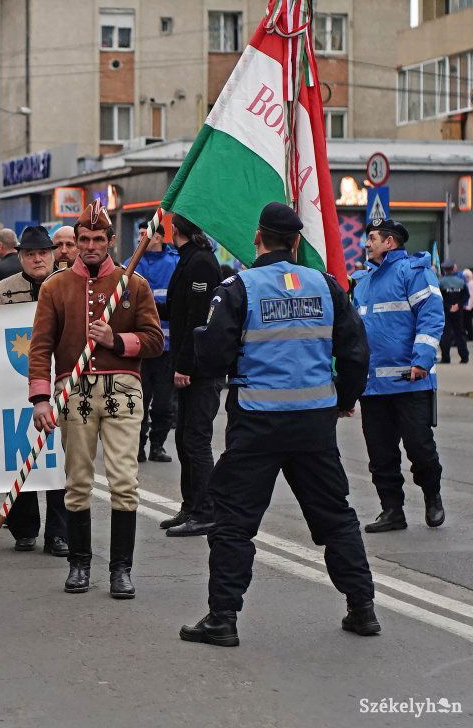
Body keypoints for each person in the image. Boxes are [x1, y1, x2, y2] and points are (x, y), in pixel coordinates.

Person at [179, 203, 377, 647]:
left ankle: (223, 618)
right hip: (314, 424)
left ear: (257, 238)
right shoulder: (326, 285)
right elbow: (356, 351)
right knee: (336, 518)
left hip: (258, 423)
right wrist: (343, 399)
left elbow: (211, 357)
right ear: (294, 242)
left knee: (233, 522)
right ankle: (362, 608)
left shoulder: (239, 288)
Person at [29, 203, 163, 599]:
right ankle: (80, 564)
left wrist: (116, 341)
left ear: (110, 242)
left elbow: (155, 341)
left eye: (97, 239)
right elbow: (40, 348)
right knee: (78, 482)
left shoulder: (133, 284)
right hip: (73, 391)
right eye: (83, 239)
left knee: (124, 481)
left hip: (123, 388)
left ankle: (121, 569)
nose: (89, 246)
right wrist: (40, 399)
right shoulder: (54, 287)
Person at [352, 218, 446, 533]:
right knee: (381, 455)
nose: (367, 243)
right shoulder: (361, 282)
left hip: (411, 380)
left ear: (390, 242)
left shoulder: (415, 273)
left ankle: (432, 495)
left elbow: (431, 318)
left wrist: (421, 361)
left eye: (373, 238)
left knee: (420, 447)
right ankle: (392, 510)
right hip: (373, 387)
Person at [0, 225, 70, 557]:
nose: (37, 259)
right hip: (16, 383)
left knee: (61, 458)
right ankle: (24, 529)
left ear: (53, 255)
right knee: (20, 453)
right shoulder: (3, 289)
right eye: (29, 254)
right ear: (20, 256)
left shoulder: (71, 283)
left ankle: (59, 534)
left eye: (43, 253)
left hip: (62, 380)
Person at [160, 214, 224, 537]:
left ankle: (206, 510)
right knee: (184, 437)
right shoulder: (189, 259)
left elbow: (198, 319)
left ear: (176, 231)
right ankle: (190, 505)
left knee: (196, 440)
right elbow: (178, 309)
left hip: (199, 370)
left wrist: (185, 365)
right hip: (188, 367)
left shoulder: (200, 263)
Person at [134, 222, 179, 464]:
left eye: (145, 234)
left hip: (166, 348)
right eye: (139, 234)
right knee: (139, 402)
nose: (141, 238)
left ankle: (157, 446)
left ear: (159, 237)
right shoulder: (133, 263)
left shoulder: (174, 262)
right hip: (140, 348)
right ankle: (138, 446)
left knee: (163, 403)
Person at [438, 261, 469, 364]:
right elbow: (466, 296)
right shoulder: (461, 282)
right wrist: (458, 305)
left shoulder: (441, 282)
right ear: (453, 269)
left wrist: (449, 306)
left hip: (446, 312)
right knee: (460, 334)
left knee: (445, 334)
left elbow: (439, 298)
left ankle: (446, 358)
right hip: (458, 312)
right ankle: (464, 357)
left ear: (444, 270)